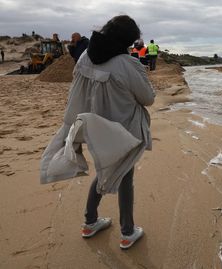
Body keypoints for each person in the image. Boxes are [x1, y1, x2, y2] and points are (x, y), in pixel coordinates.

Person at [42, 15, 155, 249]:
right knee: (124, 175)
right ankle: (127, 232)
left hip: (93, 126)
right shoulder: (127, 63)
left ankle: (90, 221)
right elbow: (148, 98)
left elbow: (76, 91)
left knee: (105, 168)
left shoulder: (84, 56)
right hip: (123, 128)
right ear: (127, 40)